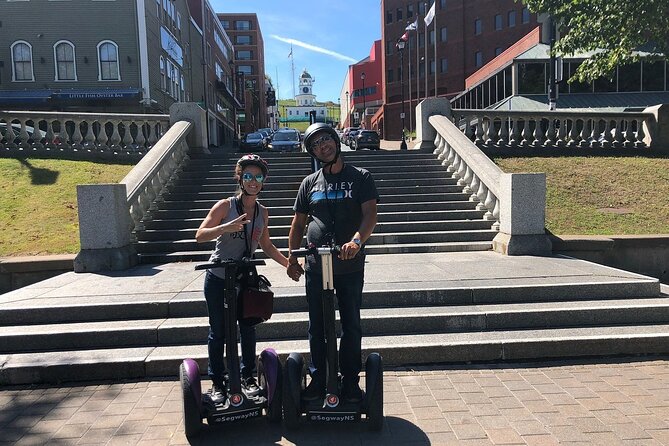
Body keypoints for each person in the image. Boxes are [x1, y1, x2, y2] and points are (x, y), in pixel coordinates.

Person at [287, 123, 379, 402]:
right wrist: (292, 256)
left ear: (336, 141)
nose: (322, 146)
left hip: (349, 265)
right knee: (317, 325)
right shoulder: (310, 182)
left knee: (350, 324)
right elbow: (298, 223)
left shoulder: (361, 177)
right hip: (317, 265)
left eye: (325, 139)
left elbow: (370, 216)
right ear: (312, 152)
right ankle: (320, 378)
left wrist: (356, 242)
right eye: (315, 144)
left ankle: (350, 381)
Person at [195, 154, 295, 404]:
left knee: (248, 329)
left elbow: (267, 245)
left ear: (263, 181)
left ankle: (248, 378)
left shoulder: (263, 212)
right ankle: (218, 382)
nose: (253, 181)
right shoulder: (225, 206)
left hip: (245, 281)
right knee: (218, 331)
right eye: (248, 176)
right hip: (219, 278)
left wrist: (289, 264)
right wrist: (224, 228)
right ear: (240, 178)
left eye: (258, 177)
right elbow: (200, 235)